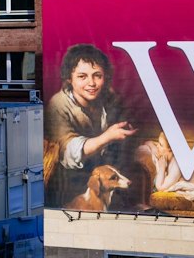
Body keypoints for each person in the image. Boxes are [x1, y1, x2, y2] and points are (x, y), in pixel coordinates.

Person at [47, 42, 139, 209]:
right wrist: (107, 137)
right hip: (72, 189)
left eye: (97, 75)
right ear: (69, 78)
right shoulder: (58, 104)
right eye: (82, 76)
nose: (92, 83)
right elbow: (68, 151)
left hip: (111, 183)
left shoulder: (109, 96)